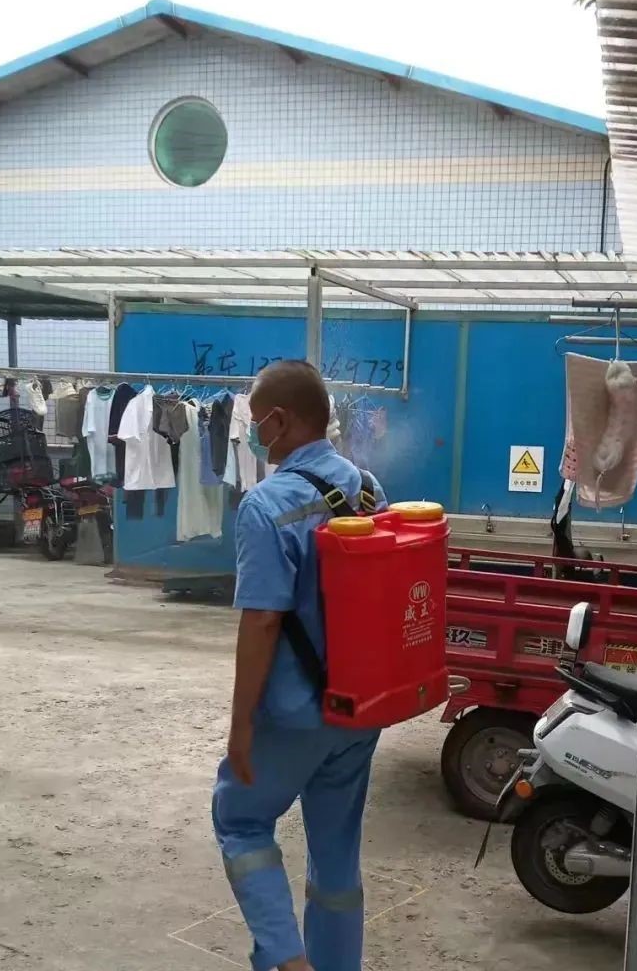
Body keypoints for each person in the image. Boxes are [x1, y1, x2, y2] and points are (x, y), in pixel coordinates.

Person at [212, 360, 386, 971]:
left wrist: (240, 726)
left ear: (280, 421)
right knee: (336, 855)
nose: (254, 432)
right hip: (361, 710)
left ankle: (287, 960)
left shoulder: (266, 504)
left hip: (294, 715)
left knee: (240, 820)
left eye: (256, 421)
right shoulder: (369, 489)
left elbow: (262, 621)